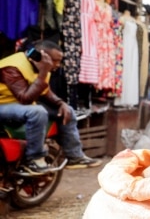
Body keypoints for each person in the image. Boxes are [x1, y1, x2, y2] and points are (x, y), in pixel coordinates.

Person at [0, 40, 101, 174]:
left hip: (18, 105)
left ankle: (74, 156)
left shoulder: (41, 67)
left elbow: (45, 90)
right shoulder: (12, 67)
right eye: (55, 61)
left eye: (59, 61)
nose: (58, 65)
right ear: (42, 57)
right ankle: (34, 159)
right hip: (4, 105)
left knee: (68, 110)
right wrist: (43, 72)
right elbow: (25, 98)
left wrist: (61, 103)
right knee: (37, 112)